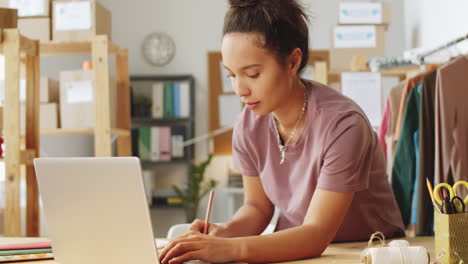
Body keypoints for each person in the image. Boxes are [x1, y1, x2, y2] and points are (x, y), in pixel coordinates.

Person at [160, 0, 405, 263]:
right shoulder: (248, 123)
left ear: (292, 62)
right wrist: (223, 233)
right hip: (298, 253)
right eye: (231, 75)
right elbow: (257, 208)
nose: (239, 89)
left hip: (366, 253)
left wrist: (228, 249)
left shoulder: (343, 125)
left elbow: (317, 234)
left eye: (252, 74)